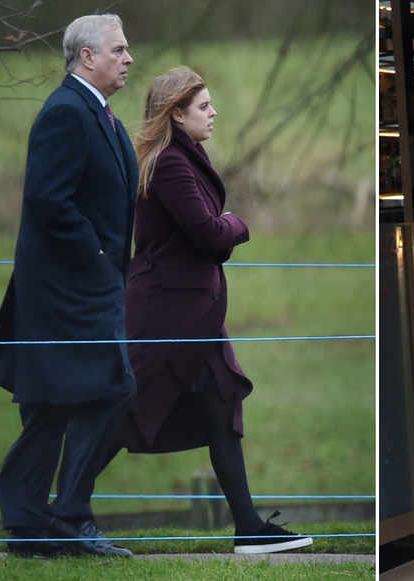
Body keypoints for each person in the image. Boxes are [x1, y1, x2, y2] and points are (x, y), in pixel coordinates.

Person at [99, 67, 312, 555]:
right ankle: (64, 511)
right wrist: (236, 222)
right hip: (167, 314)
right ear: (177, 114)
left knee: (221, 408)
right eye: (203, 106)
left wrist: (222, 225)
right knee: (126, 412)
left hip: (197, 315)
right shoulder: (171, 163)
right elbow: (210, 235)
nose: (214, 113)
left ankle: (248, 528)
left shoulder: (185, 156)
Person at [0, 14, 138, 558]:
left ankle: (30, 527)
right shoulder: (66, 111)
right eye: (119, 49)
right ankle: (66, 515)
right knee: (113, 385)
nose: (128, 58)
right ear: (87, 56)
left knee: (50, 405)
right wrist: (97, 254)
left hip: (86, 283)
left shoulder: (98, 111)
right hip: (70, 285)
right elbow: (47, 198)